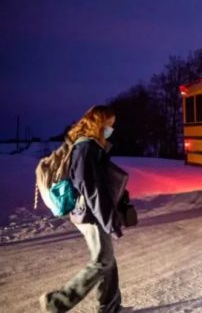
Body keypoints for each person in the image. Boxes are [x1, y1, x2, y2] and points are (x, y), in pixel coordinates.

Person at [40, 105, 127, 313]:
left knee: (106, 259)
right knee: (101, 261)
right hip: (90, 213)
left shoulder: (92, 147)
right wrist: (109, 220)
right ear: (98, 123)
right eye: (108, 125)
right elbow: (91, 188)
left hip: (93, 210)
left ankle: (110, 306)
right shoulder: (86, 147)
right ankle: (56, 303)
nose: (111, 129)